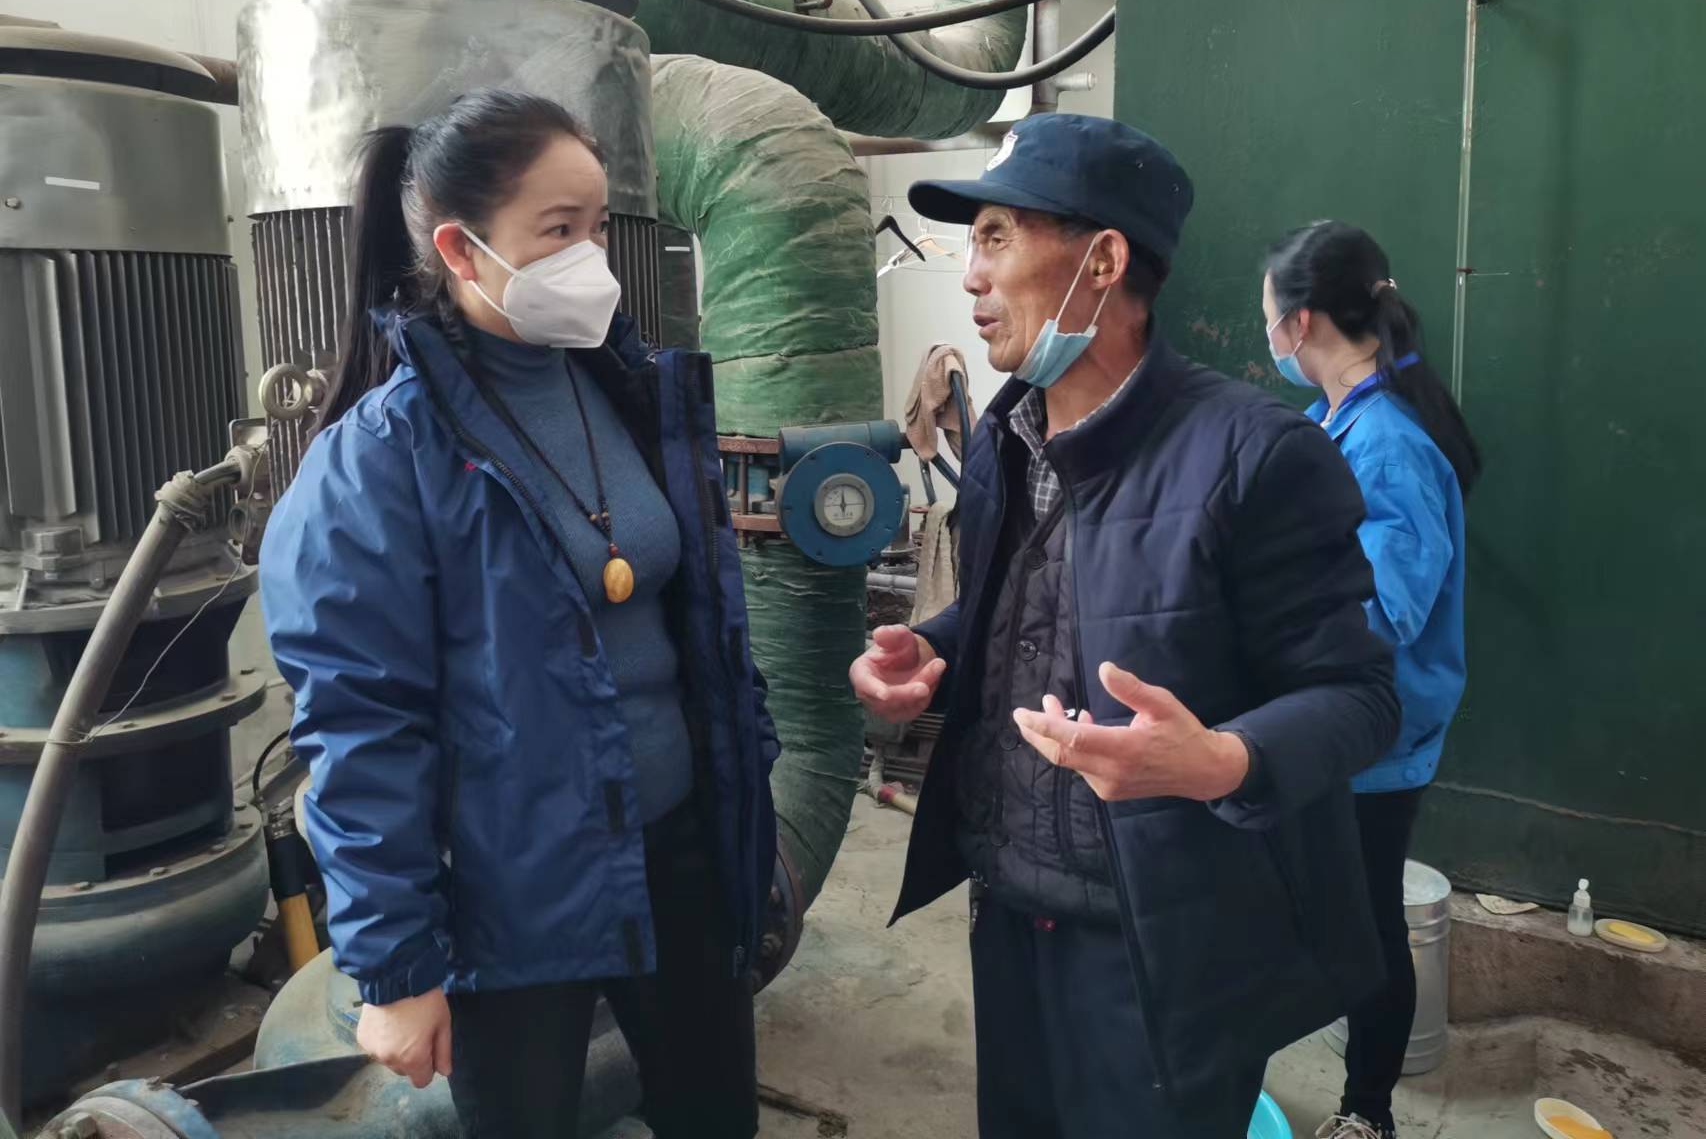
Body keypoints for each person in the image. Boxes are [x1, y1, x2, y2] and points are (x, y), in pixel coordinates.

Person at [849, 113, 1401, 1138]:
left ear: (1102, 262)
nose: (971, 275)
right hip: (1006, 907)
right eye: (972, 243)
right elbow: (1029, 604)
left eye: (997, 237)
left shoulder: (1253, 456)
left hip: (1160, 947)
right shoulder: (1005, 435)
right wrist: (934, 646)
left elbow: (1360, 696)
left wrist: (1224, 760)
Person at [259, 89, 778, 1139]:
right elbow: (361, 727)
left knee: (716, 1115)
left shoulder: (626, 392)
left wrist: (744, 799)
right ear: (460, 248)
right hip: (511, 890)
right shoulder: (381, 459)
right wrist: (396, 966)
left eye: (597, 227)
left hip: (677, 846)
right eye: (558, 230)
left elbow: (699, 627)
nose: (592, 258)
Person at [1262, 221, 1477, 1139]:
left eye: (1268, 316)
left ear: (1301, 320)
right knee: (1329, 913)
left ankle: (1368, 1113)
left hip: (1376, 736)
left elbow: (1387, 612)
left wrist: (1266, 619)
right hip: (1334, 726)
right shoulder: (1336, 422)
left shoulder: (1387, 443)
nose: (1268, 335)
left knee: (1370, 926)